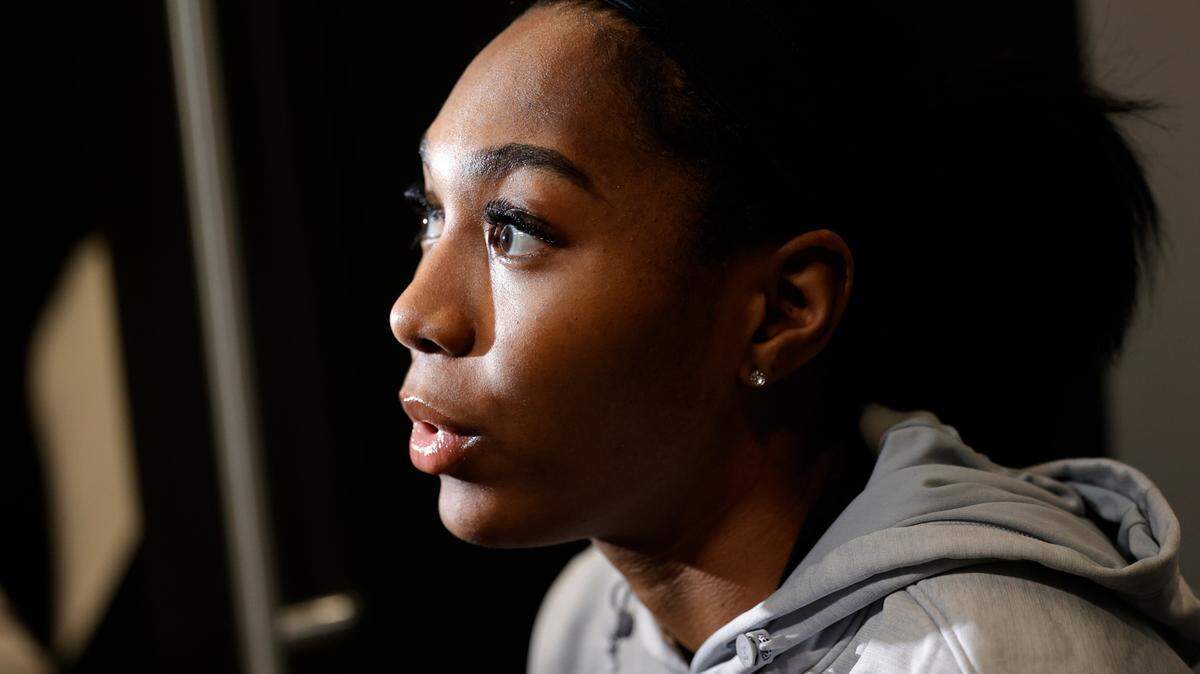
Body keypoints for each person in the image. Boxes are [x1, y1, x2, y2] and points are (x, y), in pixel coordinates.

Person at [388, 0, 1200, 671]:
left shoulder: (977, 653)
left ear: (781, 311)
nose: (414, 313)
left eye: (516, 229)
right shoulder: (589, 622)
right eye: (431, 214)